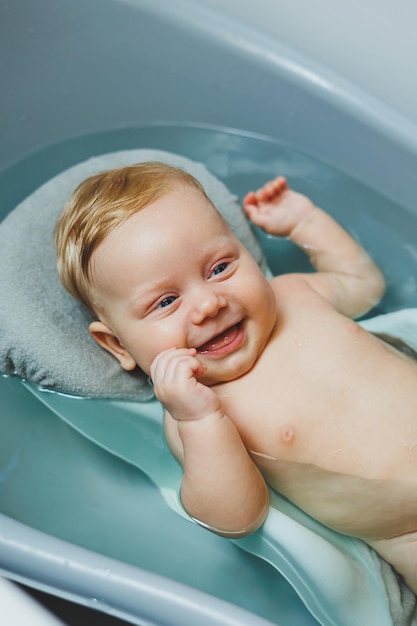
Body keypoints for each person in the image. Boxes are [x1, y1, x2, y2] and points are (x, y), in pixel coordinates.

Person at [55, 161, 417, 594]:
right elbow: (236, 519)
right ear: (118, 345)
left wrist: (305, 223)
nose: (209, 303)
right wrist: (200, 421)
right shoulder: (199, 414)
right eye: (166, 301)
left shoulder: (294, 294)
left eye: (220, 267)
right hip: (407, 530)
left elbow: (363, 284)